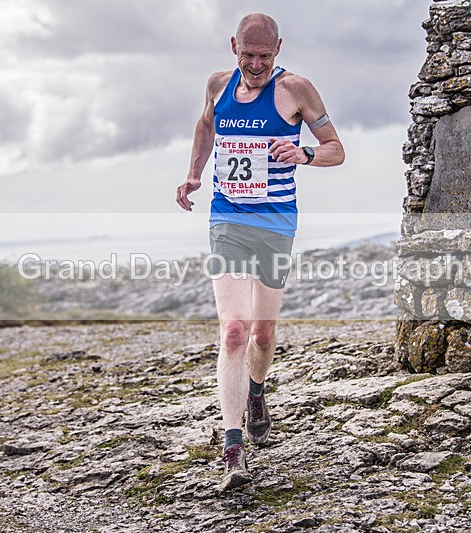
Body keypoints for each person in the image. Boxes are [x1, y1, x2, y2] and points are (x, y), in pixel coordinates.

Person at [175, 13, 345, 491]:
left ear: (279, 49)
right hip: (227, 218)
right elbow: (205, 125)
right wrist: (194, 173)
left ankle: (256, 391)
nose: (255, 65)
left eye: (264, 57)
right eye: (247, 56)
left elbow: (336, 148)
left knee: (263, 337)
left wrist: (306, 154)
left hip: (275, 223)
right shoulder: (217, 84)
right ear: (234, 47)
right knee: (233, 331)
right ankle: (233, 451)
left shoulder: (297, 91)